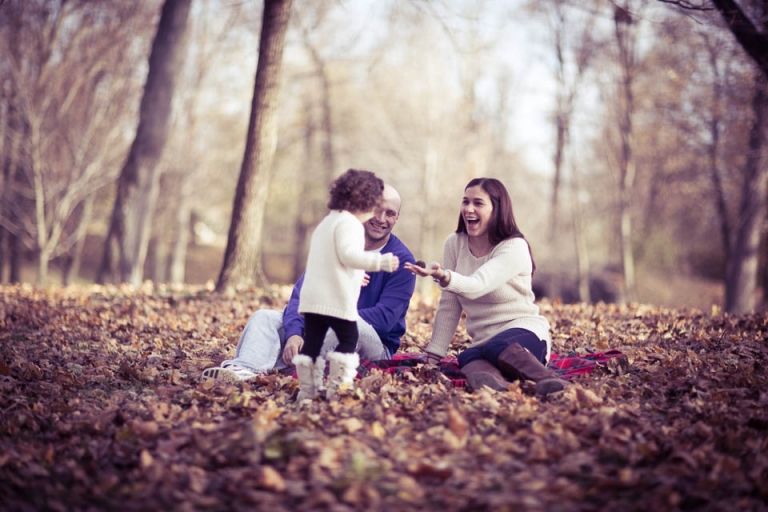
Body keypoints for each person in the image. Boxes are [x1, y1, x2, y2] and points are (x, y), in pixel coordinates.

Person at [202, 182, 416, 387]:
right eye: (377, 209)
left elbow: (384, 320)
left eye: (390, 213)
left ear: (397, 217)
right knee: (265, 317)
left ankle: (285, 367)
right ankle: (244, 370)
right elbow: (301, 295)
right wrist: (295, 333)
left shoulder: (402, 261)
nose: (381, 218)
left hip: (372, 343)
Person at [403, 177, 568, 396]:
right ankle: (494, 387)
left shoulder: (514, 247)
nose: (468, 209)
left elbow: (477, 285)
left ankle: (549, 381)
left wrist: (443, 275)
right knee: (468, 356)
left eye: (478, 203)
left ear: (497, 209)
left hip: (525, 334)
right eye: (465, 202)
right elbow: (449, 304)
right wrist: (433, 357)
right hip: (485, 342)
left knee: (494, 347)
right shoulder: (454, 243)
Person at [293, 169, 400, 400]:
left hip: (313, 302)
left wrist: (353, 273)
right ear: (364, 201)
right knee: (349, 339)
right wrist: (379, 262)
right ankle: (337, 388)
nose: (376, 213)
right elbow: (349, 255)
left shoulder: (327, 222)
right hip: (335, 304)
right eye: (374, 205)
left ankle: (307, 392)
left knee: (312, 345)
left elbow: (329, 261)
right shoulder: (350, 223)